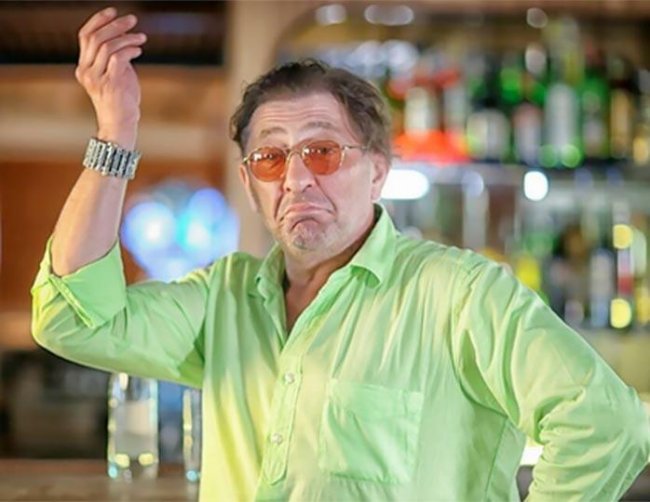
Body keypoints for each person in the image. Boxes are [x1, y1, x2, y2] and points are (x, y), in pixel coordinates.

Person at [31, 7, 649, 501]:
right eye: (270, 158)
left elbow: (605, 424)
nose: (296, 179)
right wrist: (117, 131)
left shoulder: (459, 293)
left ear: (377, 171)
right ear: (249, 184)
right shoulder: (223, 299)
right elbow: (74, 318)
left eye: (322, 152)